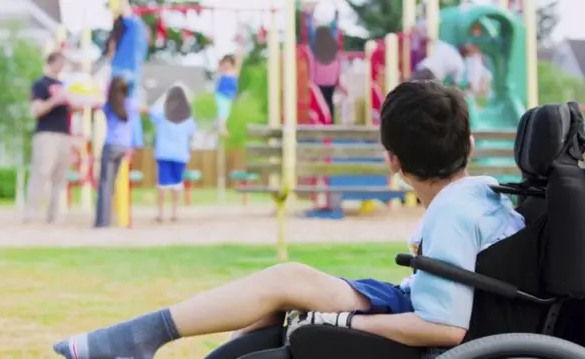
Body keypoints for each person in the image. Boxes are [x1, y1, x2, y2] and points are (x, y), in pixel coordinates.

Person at [53, 81, 525, 359]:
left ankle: (136, 339)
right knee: (285, 286)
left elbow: (445, 329)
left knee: (286, 285)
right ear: (470, 147)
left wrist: (341, 321)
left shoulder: (451, 215)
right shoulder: (483, 191)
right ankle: (138, 340)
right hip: (408, 301)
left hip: (420, 324)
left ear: (393, 162)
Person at [24, 51, 72, 224]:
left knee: (60, 176)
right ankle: (31, 212)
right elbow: (36, 110)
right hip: (46, 134)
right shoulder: (40, 84)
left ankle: (55, 215)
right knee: (41, 172)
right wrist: (55, 100)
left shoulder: (66, 85)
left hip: (64, 134)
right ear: (51, 62)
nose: (61, 66)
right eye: (59, 62)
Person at [94, 77, 144, 228]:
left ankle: (103, 221)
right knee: (117, 183)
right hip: (124, 147)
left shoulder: (108, 106)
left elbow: (99, 105)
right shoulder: (132, 105)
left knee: (105, 184)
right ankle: (120, 218)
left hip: (110, 145)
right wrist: (135, 145)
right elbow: (135, 127)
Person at [149, 85, 196, 222]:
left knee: (162, 184)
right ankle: (175, 212)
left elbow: (152, 111)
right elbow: (192, 132)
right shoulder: (187, 117)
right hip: (180, 154)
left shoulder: (162, 113)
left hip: (164, 153)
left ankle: (161, 213)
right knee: (177, 184)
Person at [105, 0, 149, 100]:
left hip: (122, 70)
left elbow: (111, 50)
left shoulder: (129, 24)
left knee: (119, 103)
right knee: (129, 104)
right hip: (132, 70)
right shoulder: (135, 24)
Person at [304, 3, 341, 120]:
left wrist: (309, 13)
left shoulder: (316, 45)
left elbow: (310, 29)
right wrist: (336, 11)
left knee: (320, 102)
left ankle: (323, 121)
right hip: (331, 80)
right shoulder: (332, 44)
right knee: (329, 101)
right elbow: (335, 27)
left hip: (319, 79)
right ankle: (331, 122)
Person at [215, 54, 240, 136]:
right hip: (221, 95)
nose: (226, 65)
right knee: (223, 111)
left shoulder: (234, 72)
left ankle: (224, 127)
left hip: (229, 96)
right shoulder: (222, 73)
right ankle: (222, 128)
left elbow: (239, 61)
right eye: (224, 64)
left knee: (226, 112)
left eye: (228, 63)